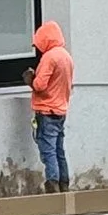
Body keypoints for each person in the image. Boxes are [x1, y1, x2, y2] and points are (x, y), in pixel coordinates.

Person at [28, 17, 74, 190]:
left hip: (46, 111)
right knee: (59, 150)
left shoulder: (49, 57)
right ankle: (64, 185)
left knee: (48, 151)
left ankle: (52, 185)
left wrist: (30, 79)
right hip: (61, 111)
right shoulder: (66, 57)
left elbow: (40, 85)